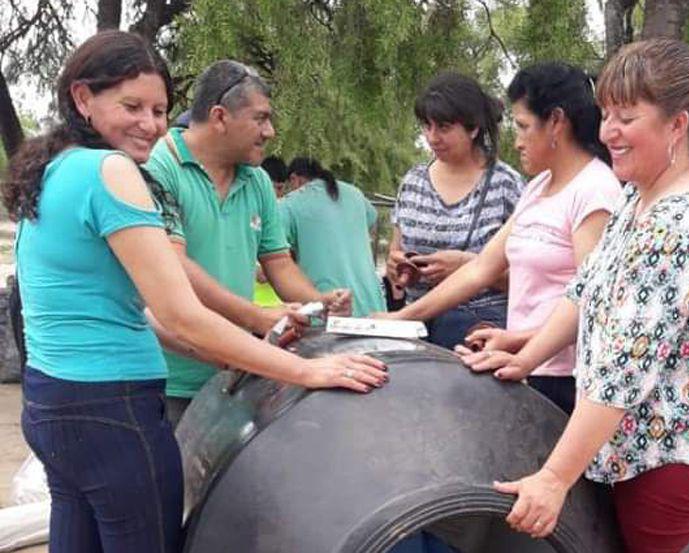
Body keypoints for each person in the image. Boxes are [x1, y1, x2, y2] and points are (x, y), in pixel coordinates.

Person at [5, 31, 386, 553]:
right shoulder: (109, 170)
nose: (151, 124)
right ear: (82, 98)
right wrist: (308, 370)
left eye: (160, 109)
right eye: (132, 106)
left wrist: (242, 348)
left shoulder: (54, 169)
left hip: (54, 404)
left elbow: (136, 313)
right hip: (114, 413)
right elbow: (179, 312)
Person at [485, 38, 689, 552]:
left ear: (677, 124)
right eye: (606, 113)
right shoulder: (640, 194)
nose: (608, 131)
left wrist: (552, 479)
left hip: (674, 451)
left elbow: (620, 371)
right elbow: (587, 289)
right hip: (655, 436)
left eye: (626, 117)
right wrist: (528, 354)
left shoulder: (681, 226)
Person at [384, 62, 620, 415]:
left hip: (566, 378)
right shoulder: (539, 187)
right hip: (524, 365)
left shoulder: (595, 191)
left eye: (524, 127)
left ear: (556, 122)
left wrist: (521, 344)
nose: (517, 140)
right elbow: (481, 268)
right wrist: (403, 319)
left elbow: (593, 303)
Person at [144, 60, 353, 426]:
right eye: (260, 118)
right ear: (220, 116)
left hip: (233, 370)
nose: (270, 131)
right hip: (169, 376)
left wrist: (318, 303)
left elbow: (280, 264)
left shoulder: (256, 181)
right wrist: (254, 315)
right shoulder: (161, 168)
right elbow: (173, 264)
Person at [386, 71, 525, 349]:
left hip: (479, 327)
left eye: (444, 128)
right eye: (427, 126)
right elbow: (395, 250)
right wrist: (399, 267)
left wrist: (465, 266)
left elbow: (528, 280)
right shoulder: (413, 182)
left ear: (473, 128)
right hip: (416, 326)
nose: (432, 137)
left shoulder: (507, 186)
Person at [279, 156, 385, 317]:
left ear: (295, 179)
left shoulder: (290, 203)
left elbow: (276, 256)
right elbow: (371, 218)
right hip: (374, 307)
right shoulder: (355, 193)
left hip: (329, 310)